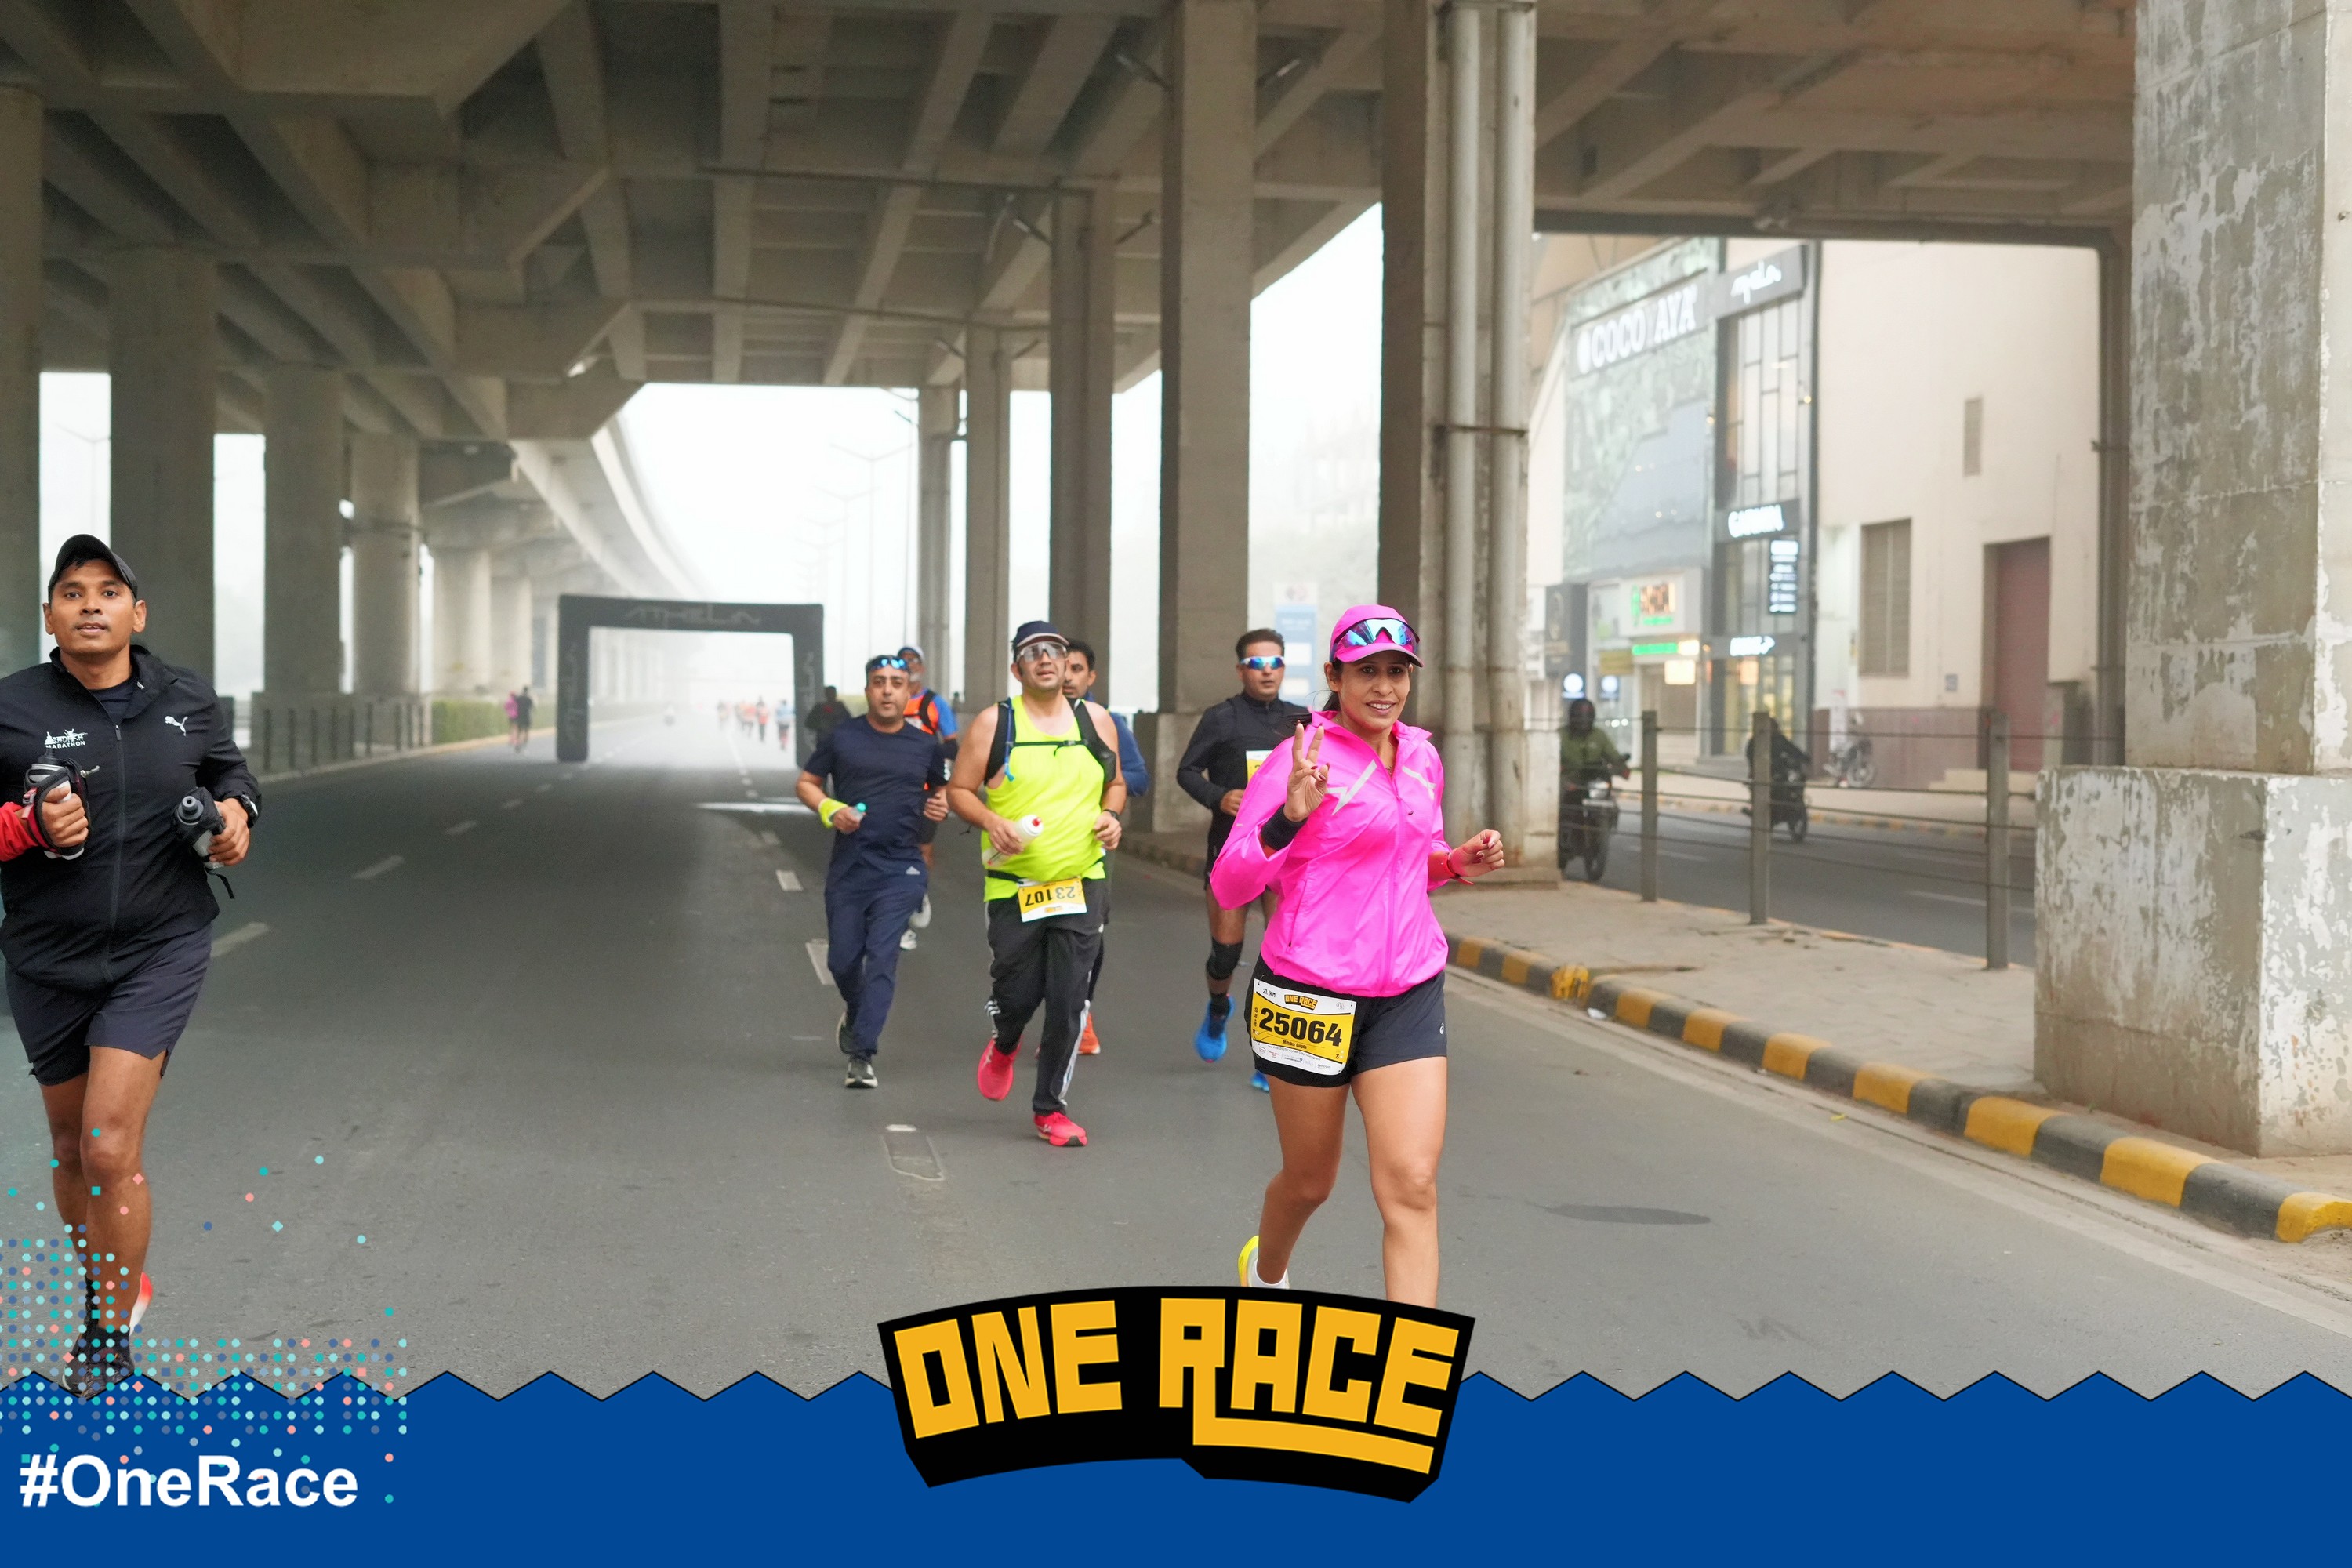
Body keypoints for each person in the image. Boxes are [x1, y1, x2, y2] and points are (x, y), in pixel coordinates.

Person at [1, 536, 259, 1392]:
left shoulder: (187, 698)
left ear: (137, 614)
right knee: (70, 1148)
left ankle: (106, 1337)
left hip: (160, 944)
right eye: (72, 591)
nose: (90, 604)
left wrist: (235, 817)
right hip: (46, 953)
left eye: (109, 591)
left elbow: (234, 779)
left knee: (109, 1144)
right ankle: (116, 1282)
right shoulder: (11, 708)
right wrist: (28, 826)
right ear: (49, 617)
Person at [1210, 606, 1501, 1307]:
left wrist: (1453, 862)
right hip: (1309, 991)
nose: (1384, 687)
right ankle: (1266, 1269)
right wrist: (1288, 818)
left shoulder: (1422, 757)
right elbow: (1231, 884)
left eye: (1397, 672)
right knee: (1311, 1181)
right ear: (1335, 677)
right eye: (1366, 671)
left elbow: (1411, 859)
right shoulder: (1298, 760)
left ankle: (1411, 1359)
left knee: (1412, 1185)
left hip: (1408, 988)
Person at [946, 621, 1126, 1147]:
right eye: (1033, 653)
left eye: (1055, 651)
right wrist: (991, 820)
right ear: (1017, 668)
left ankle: (1050, 1109)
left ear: (1069, 664)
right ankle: (1005, 1042)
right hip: (1014, 884)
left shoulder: (1095, 720)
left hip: (1081, 880)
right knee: (1018, 993)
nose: (1045, 659)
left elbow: (1115, 783)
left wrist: (1112, 816)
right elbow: (960, 790)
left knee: (1070, 999)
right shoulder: (995, 724)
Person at [795, 655, 950, 1088]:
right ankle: (857, 1011)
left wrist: (938, 807)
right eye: (879, 682)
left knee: (883, 955)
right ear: (867, 690)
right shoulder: (842, 737)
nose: (887, 690)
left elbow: (941, 792)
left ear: (908, 691)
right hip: (851, 866)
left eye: (896, 683)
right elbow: (806, 784)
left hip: (901, 867)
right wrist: (832, 809)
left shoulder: (925, 745)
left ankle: (862, 1055)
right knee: (843, 960)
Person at [1175, 630, 1309, 1086]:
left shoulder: (1301, 720)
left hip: (1285, 850)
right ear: (1240, 671)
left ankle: (1272, 1054)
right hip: (1232, 850)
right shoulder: (1221, 718)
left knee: (1283, 954)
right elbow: (1187, 771)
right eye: (1256, 664)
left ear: (1284, 668)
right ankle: (1218, 1008)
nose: (1266, 671)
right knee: (1226, 953)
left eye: (1274, 662)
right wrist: (1219, 796)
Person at [1060, 638, 1148, 1056]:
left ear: (1090, 676)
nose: (1067, 676)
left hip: (1092, 842)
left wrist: (1101, 787)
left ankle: (1080, 1016)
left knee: (1086, 930)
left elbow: (1138, 779)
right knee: (1034, 933)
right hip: (1034, 844)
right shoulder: (1021, 721)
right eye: (1062, 667)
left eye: (1077, 669)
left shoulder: (1105, 722)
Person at [897, 644, 960, 949]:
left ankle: (917, 892)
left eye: (913, 661)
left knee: (923, 850)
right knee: (891, 851)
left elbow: (952, 746)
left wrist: (925, 754)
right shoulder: (890, 701)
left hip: (925, 790)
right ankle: (898, 921)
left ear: (921, 667)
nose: (909, 665)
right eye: (903, 661)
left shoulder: (935, 704)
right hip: (891, 789)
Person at [806, 685, 851, 749]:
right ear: (825, 695)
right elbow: (809, 723)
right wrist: (821, 725)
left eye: (832, 693)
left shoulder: (840, 707)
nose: (831, 696)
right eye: (829, 693)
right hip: (824, 740)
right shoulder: (819, 708)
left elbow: (849, 722)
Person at [512, 685, 535, 752]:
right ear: (528, 691)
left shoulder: (519, 698)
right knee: (526, 731)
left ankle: (517, 744)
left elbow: (514, 705)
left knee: (519, 731)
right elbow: (532, 708)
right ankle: (524, 745)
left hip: (519, 716)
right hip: (526, 716)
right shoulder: (529, 699)